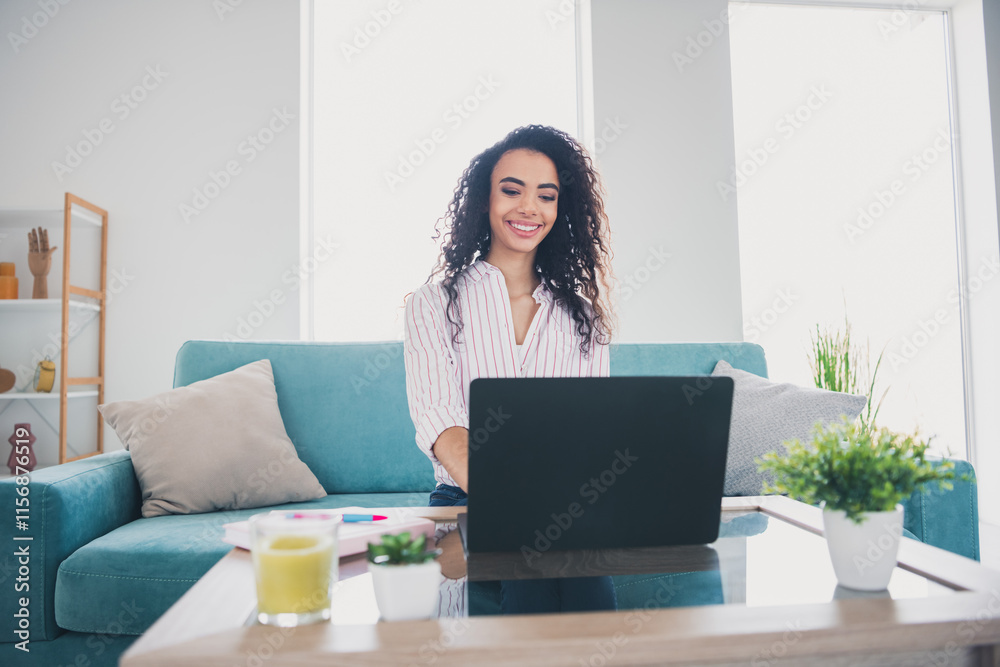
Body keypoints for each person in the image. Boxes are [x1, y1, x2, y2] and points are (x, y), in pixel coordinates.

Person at [403, 124, 617, 614]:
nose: (529, 208)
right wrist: (521, 508)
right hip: (466, 498)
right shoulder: (434, 304)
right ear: (485, 199)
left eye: (546, 195)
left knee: (585, 576)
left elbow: (591, 431)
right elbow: (442, 424)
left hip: (564, 505)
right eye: (512, 190)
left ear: (560, 210)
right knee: (527, 569)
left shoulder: (584, 318)